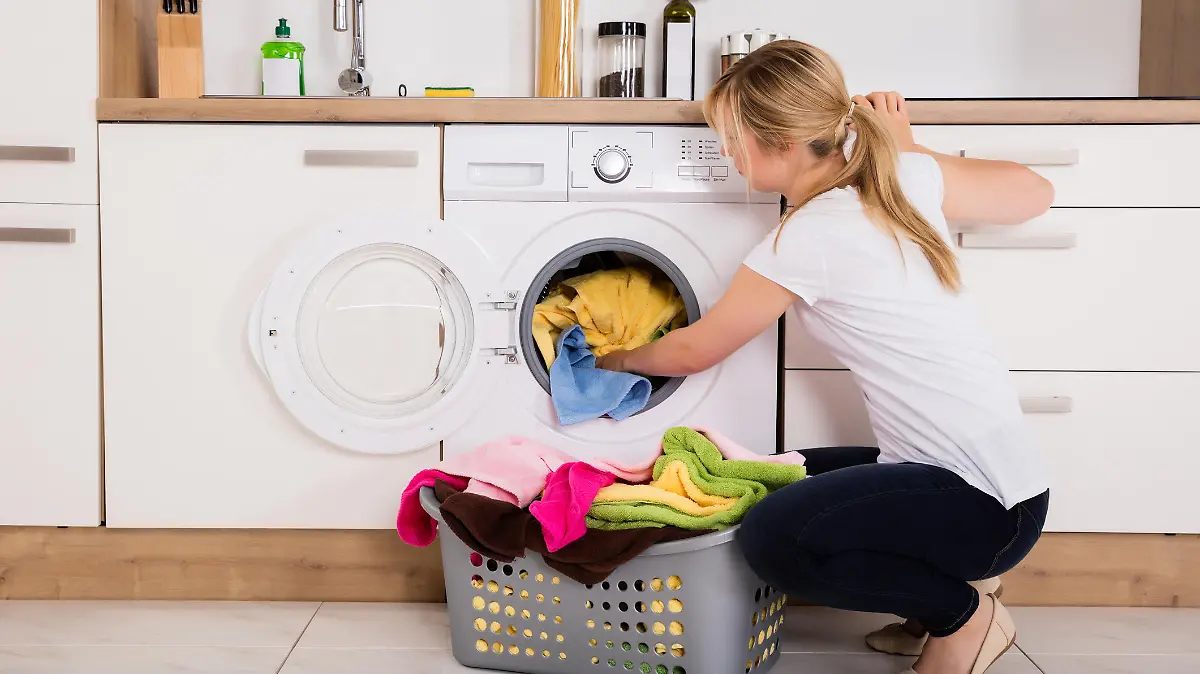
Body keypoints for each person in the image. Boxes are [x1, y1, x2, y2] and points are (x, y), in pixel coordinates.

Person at [597, 40, 1053, 674]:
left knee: (774, 537)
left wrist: (608, 359)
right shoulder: (902, 179)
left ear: (779, 145)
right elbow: (1036, 192)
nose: (726, 153)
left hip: (980, 506)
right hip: (1007, 489)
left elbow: (697, 349)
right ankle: (954, 594)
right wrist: (908, 152)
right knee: (780, 472)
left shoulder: (808, 236)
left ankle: (961, 615)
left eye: (731, 138)